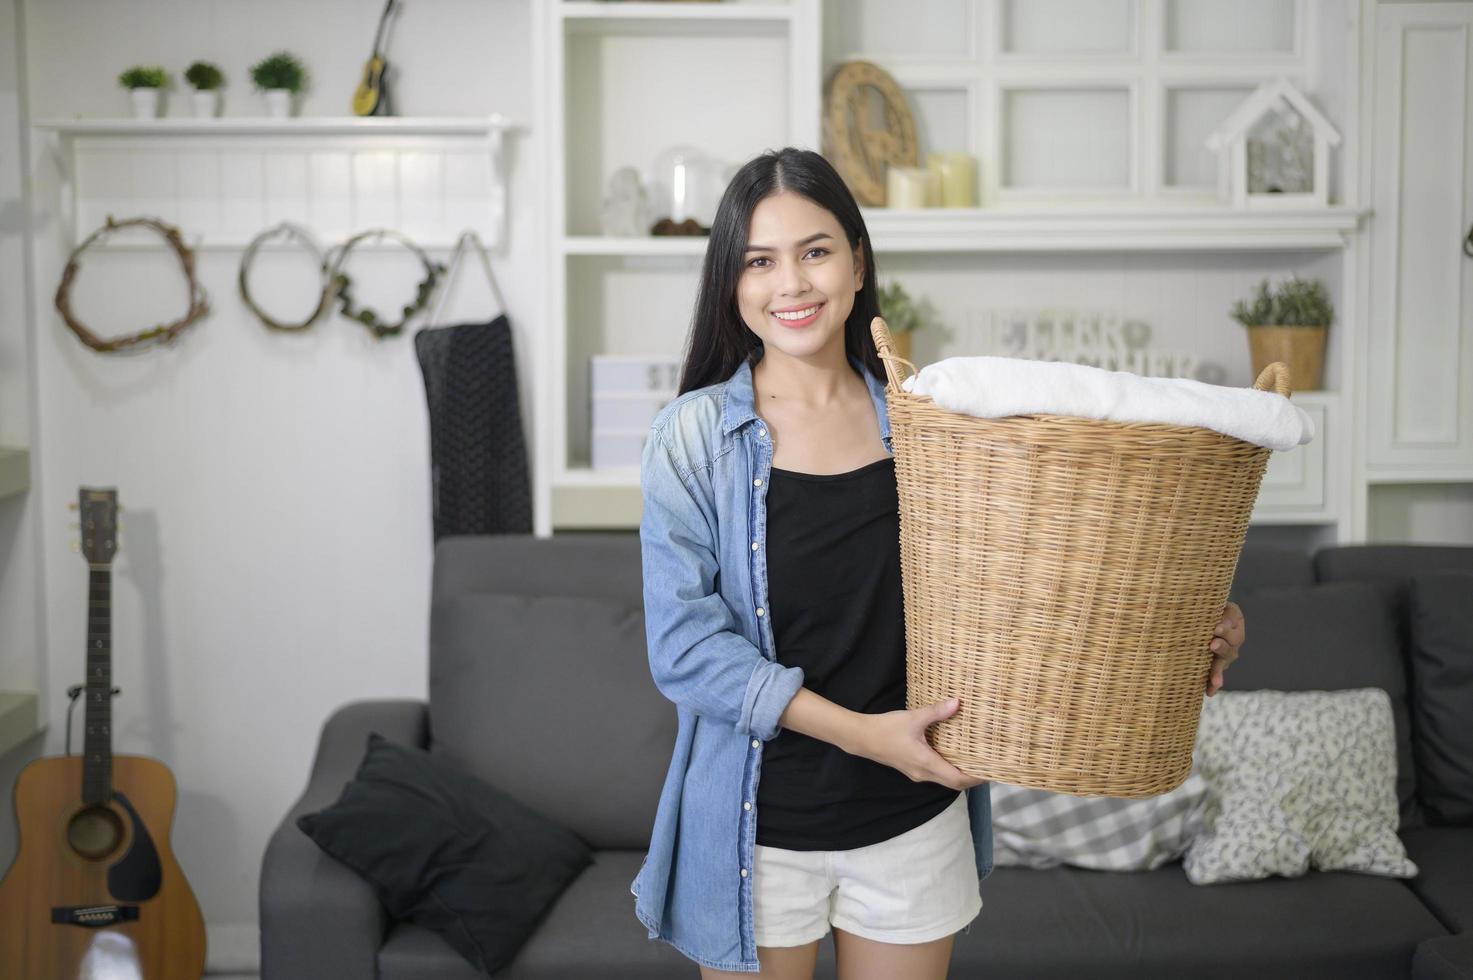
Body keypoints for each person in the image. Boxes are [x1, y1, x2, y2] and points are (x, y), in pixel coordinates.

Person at [629, 147, 1246, 980]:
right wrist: (867, 737)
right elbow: (684, 649)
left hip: (912, 820)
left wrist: (1182, 622)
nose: (792, 284)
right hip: (754, 827)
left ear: (856, 262)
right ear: (731, 285)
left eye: (815, 251)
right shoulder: (693, 438)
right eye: (759, 262)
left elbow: (1043, 575)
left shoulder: (938, 423)